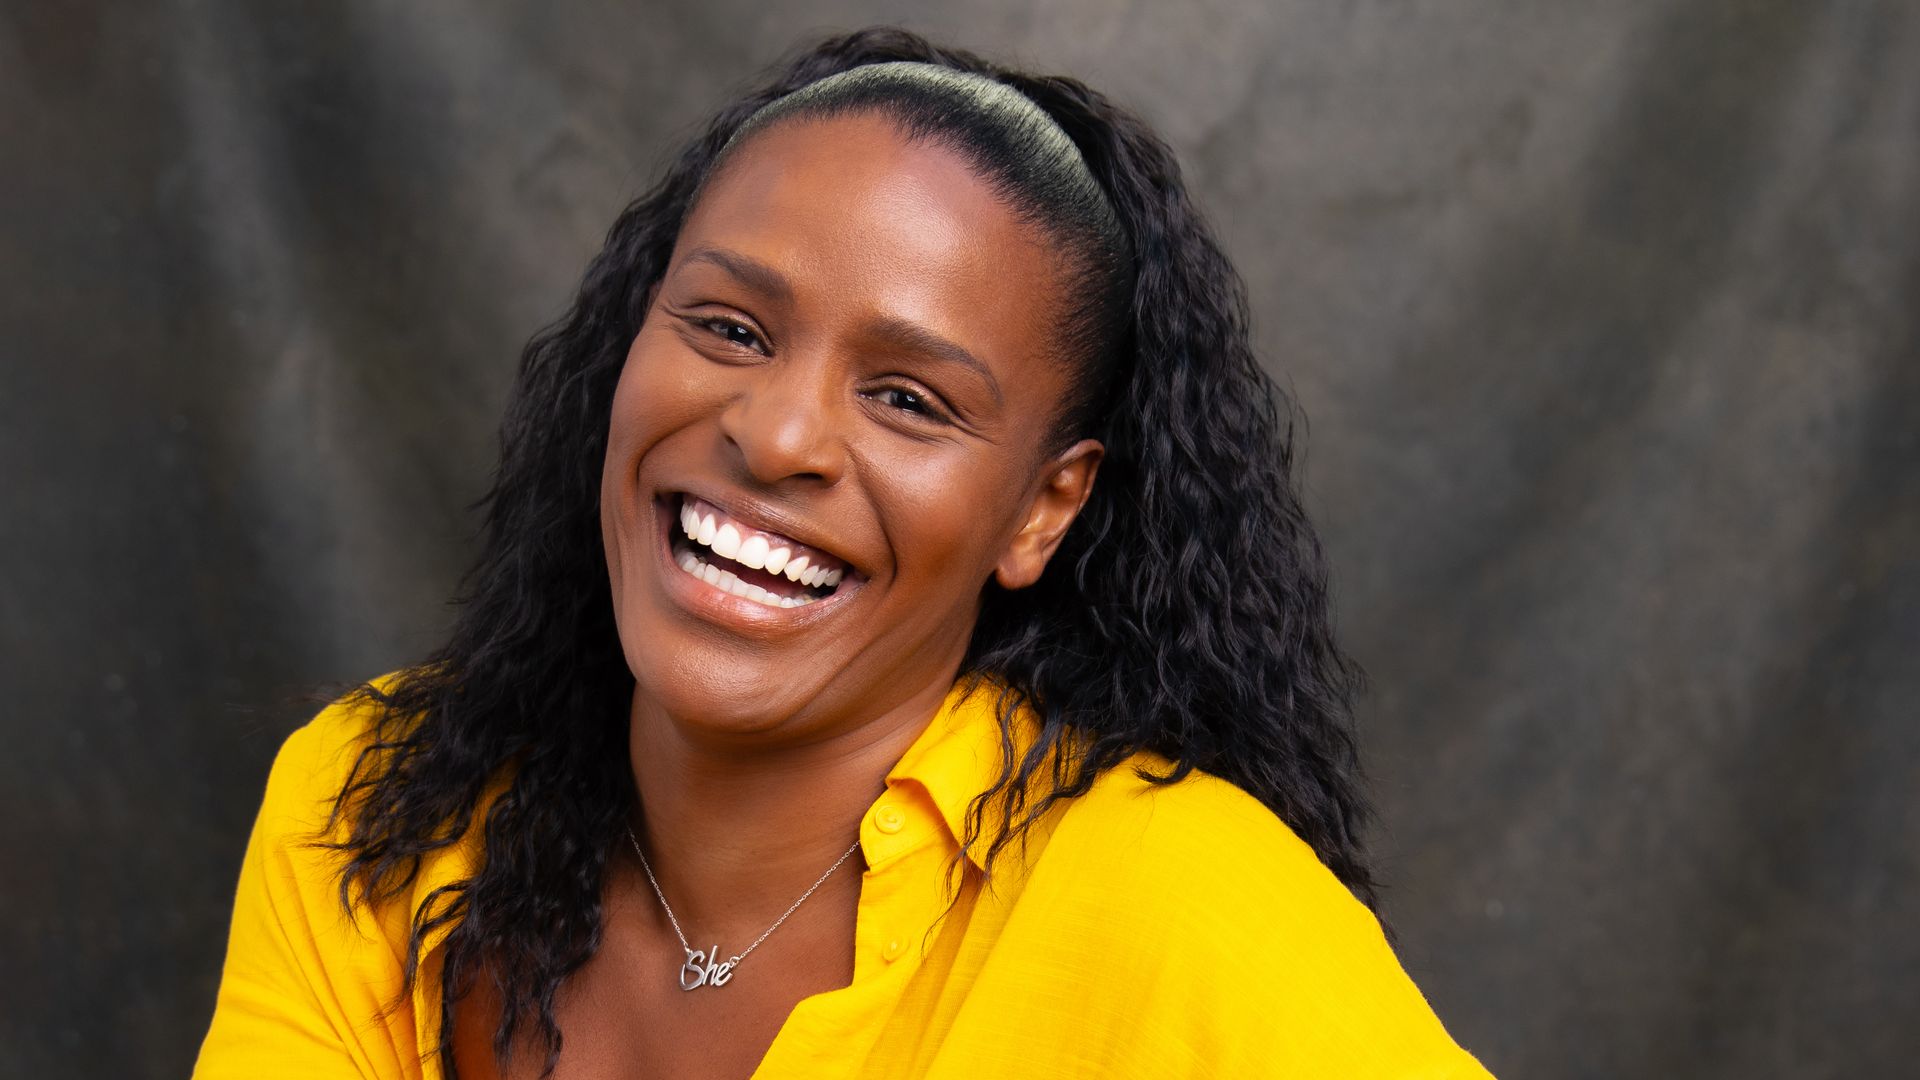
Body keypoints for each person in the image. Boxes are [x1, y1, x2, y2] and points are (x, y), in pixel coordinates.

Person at [195, 27, 1494, 1080]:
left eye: (909, 399)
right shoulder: (365, 812)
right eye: (729, 327)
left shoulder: (1183, 909)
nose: (776, 436)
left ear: (1045, 509)